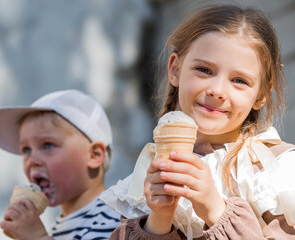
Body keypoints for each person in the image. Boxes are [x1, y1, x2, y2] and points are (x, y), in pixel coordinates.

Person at [100, 4, 295, 240]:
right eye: (204, 69)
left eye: (239, 80)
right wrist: (159, 219)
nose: (217, 90)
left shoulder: (276, 171)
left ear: (262, 94)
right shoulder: (149, 171)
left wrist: (216, 211)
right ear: (175, 69)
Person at [0, 89, 121, 240]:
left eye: (48, 145)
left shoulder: (115, 217)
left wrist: (38, 237)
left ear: (94, 155)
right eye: (26, 149)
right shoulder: (58, 228)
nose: (32, 160)